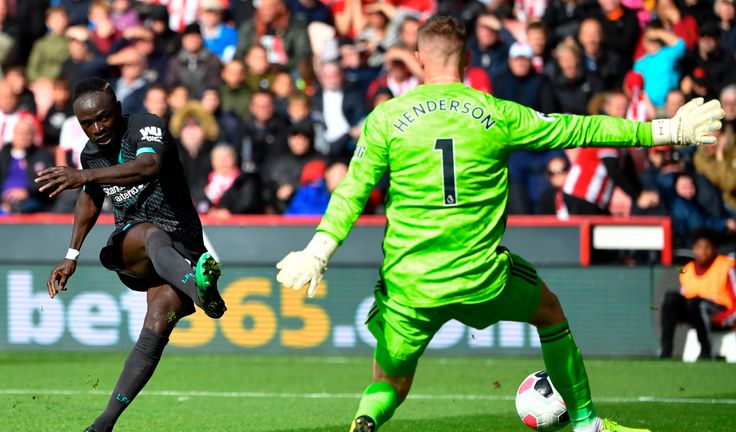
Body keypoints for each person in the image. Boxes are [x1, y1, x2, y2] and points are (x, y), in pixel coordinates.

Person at [275, 15, 724, 432]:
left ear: (418, 59)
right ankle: (586, 424)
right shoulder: (498, 115)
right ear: (468, 60)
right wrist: (665, 131)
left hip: (410, 286)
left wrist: (318, 250)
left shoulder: (387, 119)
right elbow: (579, 129)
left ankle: (365, 421)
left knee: (390, 382)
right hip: (482, 278)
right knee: (548, 311)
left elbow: (352, 191)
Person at [33, 78, 226, 432]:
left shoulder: (146, 126)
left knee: (156, 327)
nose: (97, 128)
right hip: (132, 247)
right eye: (87, 124)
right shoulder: (90, 155)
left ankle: (103, 424)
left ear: (117, 108)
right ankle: (202, 293)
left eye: (102, 118)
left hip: (182, 245)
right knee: (148, 233)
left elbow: (150, 165)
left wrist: (85, 175)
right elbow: (90, 199)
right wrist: (71, 253)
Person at [660, 228, 736, 359]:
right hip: (694, 313)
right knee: (671, 298)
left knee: (696, 304)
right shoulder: (688, 269)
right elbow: (684, 295)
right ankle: (665, 351)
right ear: (693, 249)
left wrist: (721, 319)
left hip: (719, 314)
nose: (703, 252)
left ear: (714, 248)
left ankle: (706, 351)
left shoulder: (726, 266)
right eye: (699, 247)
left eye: (707, 247)